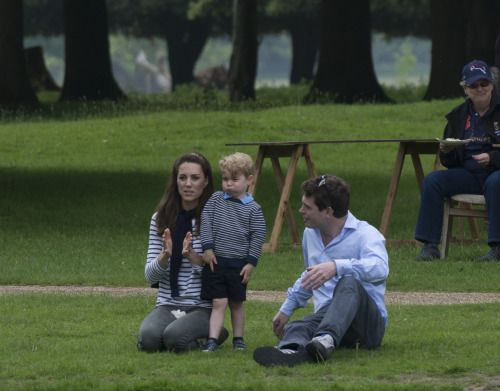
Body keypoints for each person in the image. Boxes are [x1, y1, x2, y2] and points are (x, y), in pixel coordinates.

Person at [253, 175, 389, 367]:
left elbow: (380, 269)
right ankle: (291, 352)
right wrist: (287, 308)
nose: (301, 211)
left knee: (348, 281)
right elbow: (310, 275)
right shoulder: (310, 233)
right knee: (298, 327)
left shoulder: (366, 234)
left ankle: (325, 340)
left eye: (307, 207)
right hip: (327, 316)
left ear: (328, 211)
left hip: (367, 328)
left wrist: (336, 267)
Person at [138, 152, 228, 352]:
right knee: (148, 341)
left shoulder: (214, 219)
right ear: (175, 181)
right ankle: (187, 334)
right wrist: (165, 255)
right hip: (167, 303)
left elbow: (220, 275)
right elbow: (149, 276)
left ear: (205, 182)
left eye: (195, 178)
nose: (188, 184)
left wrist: (193, 258)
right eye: (182, 177)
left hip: (202, 306)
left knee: (174, 338)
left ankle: (216, 331)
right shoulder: (160, 219)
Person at [415, 59, 500, 261]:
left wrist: (492, 157)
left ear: (491, 84)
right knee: (433, 181)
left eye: (484, 84)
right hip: (469, 174)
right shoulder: (458, 116)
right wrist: (446, 150)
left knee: (496, 182)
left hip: (495, 173)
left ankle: (497, 248)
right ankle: (430, 246)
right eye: (473, 85)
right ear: (465, 88)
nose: (479, 89)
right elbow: (450, 161)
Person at [200, 152, 267, 352]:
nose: (228, 184)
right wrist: (208, 248)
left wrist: (251, 262)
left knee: (237, 302)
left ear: (249, 180)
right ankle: (213, 339)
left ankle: (239, 339)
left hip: (238, 264)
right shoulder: (215, 200)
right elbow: (206, 222)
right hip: (216, 262)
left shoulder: (254, 209)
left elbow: (258, 236)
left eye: (234, 179)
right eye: (225, 179)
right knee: (218, 301)